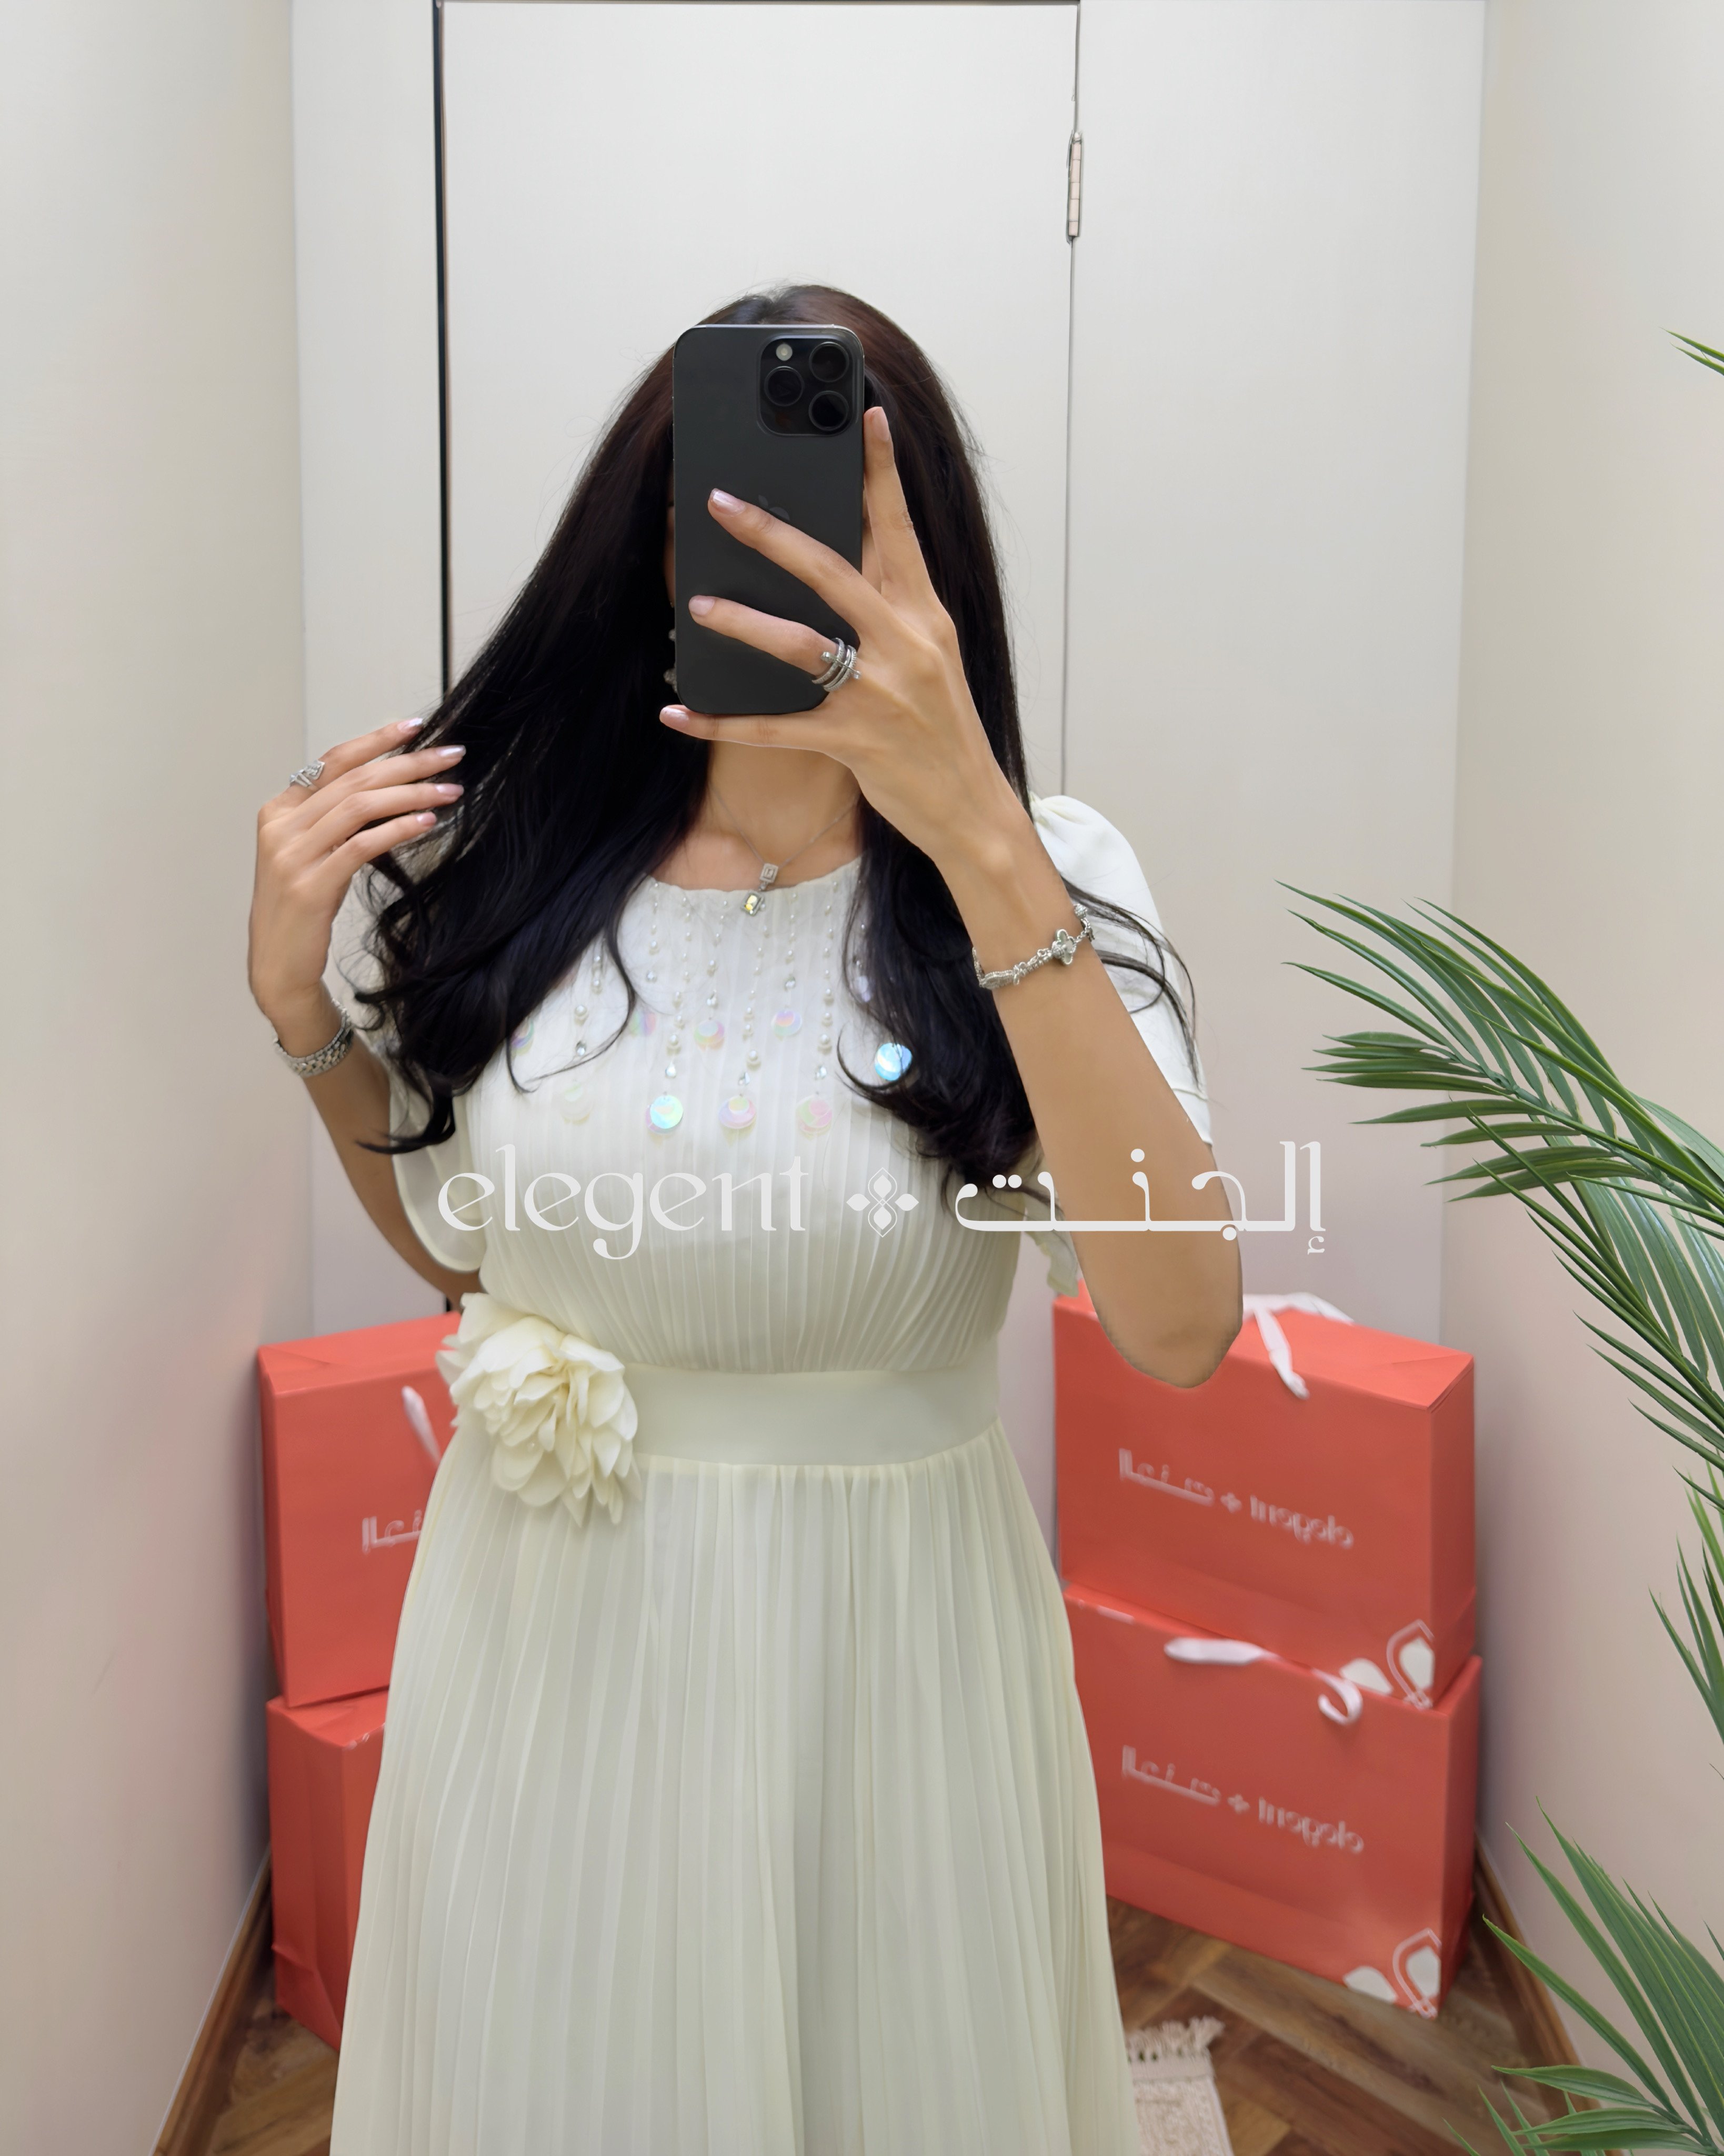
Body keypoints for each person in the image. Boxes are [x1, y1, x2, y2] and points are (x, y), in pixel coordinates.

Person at [248, 285, 1240, 2155]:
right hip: (547, 1641)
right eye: (729, 521)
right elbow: (463, 1249)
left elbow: (1180, 1324)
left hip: (894, 1660)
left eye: (839, 536)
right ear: (650, 551)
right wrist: (304, 1019)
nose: (784, 579)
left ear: (931, 571)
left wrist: (978, 833)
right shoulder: (513, 862)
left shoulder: (1040, 873)